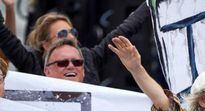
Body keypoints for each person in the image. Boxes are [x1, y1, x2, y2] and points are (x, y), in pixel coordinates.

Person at [0, 2, 151, 84]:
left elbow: (124, 30)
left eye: (73, 32)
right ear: (45, 44)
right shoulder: (31, 63)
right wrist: (10, 7)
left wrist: (151, 4)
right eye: (62, 34)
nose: (70, 37)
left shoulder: (88, 58)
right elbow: (5, 37)